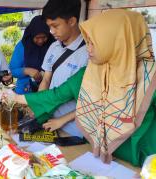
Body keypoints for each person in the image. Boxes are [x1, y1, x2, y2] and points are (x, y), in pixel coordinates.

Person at [10, 9, 156, 166]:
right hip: (100, 156)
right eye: (88, 42)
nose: (89, 49)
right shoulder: (92, 71)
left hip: (145, 160)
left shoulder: (151, 77)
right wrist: (15, 97)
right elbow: (58, 94)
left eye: (94, 43)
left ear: (117, 41)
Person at [34, 0, 89, 137]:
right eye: (49, 26)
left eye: (55, 26)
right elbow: (46, 80)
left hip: (75, 131)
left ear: (71, 21)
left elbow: (92, 102)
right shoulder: (54, 47)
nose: (51, 32)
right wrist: (38, 107)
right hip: (50, 124)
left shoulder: (89, 52)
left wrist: (62, 120)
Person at [9, 15, 54, 94]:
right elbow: (12, 71)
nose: (40, 41)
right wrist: (27, 71)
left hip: (47, 92)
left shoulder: (54, 45)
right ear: (32, 34)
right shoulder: (23, 46)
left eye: (44, 37)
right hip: (25, 92)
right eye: (37, 37)